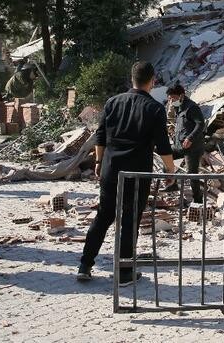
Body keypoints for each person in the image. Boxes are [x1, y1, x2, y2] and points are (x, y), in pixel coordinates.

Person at [78, 61, 176, 286]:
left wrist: (99, 161)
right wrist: (170, 170)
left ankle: (85, 265)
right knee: (130, 220)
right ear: (152, 81)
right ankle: (123, 273)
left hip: (111, 169)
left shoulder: (113, 102)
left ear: (132, 79)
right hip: (137, 173)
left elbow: (100, 136)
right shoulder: (155, 108)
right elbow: (163, 146)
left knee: (103, 216)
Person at [163, 82, 206, 204]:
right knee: (166, 157)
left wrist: (190, 138)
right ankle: (172, 184)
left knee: (192, 175)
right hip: (180, 145)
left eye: (173, 98)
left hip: (193, 147)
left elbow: (200, 124)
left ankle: (198, 200)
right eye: (169, 98)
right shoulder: (178, 106)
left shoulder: (192, 107)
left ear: (181, 95)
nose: (171, 101)